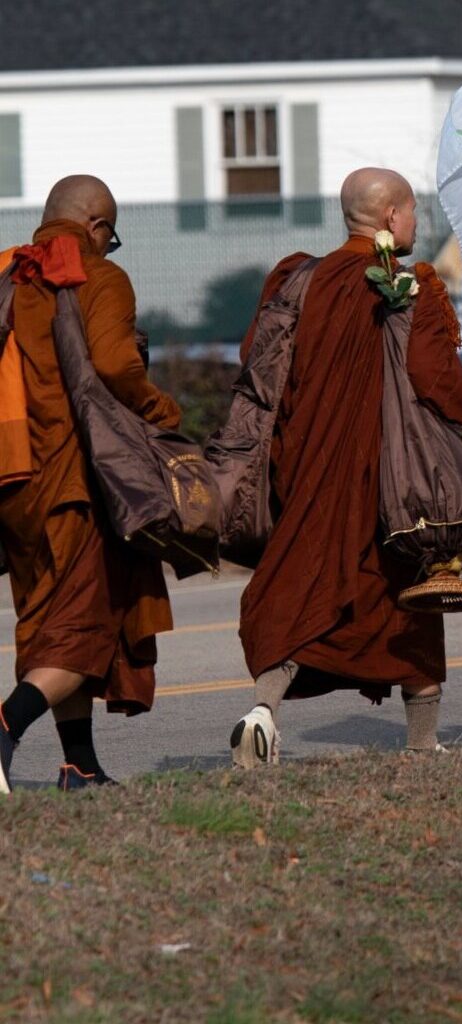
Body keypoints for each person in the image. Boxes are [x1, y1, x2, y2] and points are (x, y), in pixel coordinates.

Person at [229, 167, 462, 768]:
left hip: (306, 466)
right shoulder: (408, 284)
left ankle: (263, 710)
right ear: (393, 217)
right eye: (414, 212)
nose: (417, 222)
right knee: (404, 598)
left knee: (302, 583)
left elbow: (258, 361)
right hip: (383, 475)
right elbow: (435, 376)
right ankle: (423, 742)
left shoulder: (298, 280)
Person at [0, 175, 182, 792]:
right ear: (98, 227)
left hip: (14, 486)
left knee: (48, 622)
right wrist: (162, 413)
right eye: (112, 236)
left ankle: (80, 764)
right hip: (78, 478)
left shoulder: (7, 278)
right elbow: (112, 364)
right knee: (87, 624)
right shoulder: (99, 277)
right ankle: (5, 722)